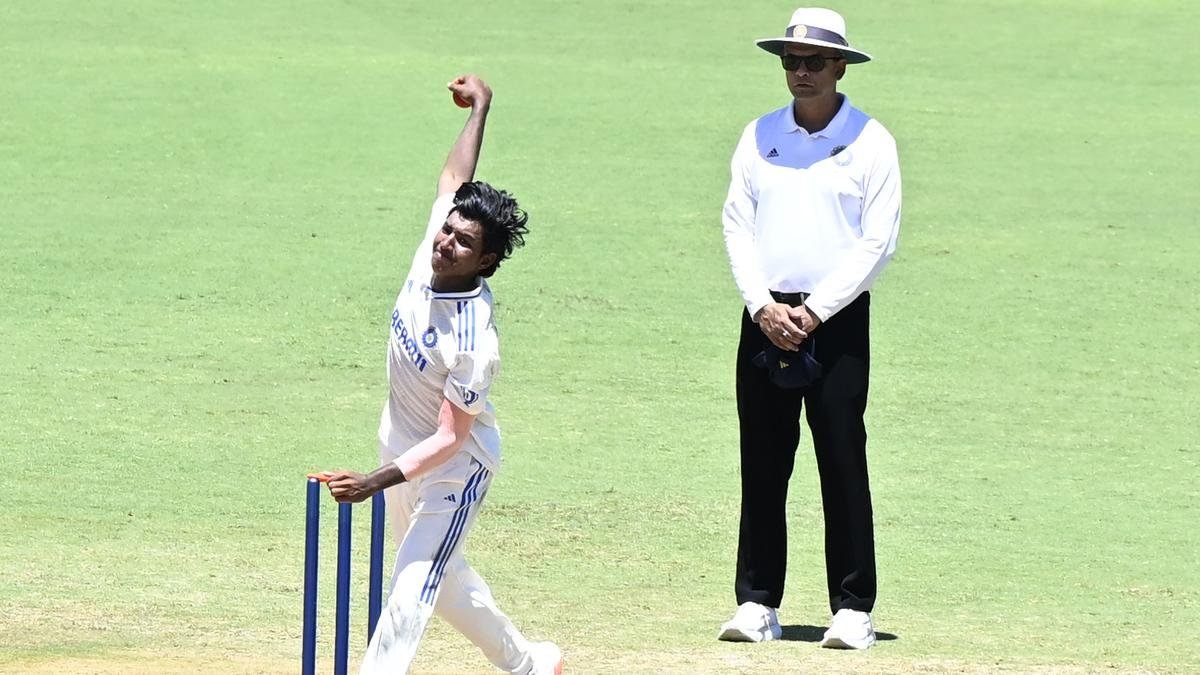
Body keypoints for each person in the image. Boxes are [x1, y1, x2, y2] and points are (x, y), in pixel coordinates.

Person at [315, 74, 563, 675]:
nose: (445, 242)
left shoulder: (475, 339)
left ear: (487, 260)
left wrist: (372, 482)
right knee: (442, 580)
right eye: (448, 229)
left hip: (454, 468)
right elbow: (455, 178)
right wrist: (480, 107)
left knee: (411, 590)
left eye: (462, 241)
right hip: (400, 447)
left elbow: (451, 437)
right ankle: (531, 665)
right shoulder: (439, 237)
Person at [716, 8, 902, 650]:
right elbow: (737, 224)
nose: (802, 71)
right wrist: (761, 305)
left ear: (840, 66)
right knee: (763, 462)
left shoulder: (871, 141)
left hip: (837, 321)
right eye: (792, 61)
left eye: (815, 61)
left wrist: (816, 309)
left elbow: (878, 241)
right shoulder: (760, 135)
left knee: (842, 460)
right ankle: (756, 602)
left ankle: (852, 608)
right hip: (765, 319)